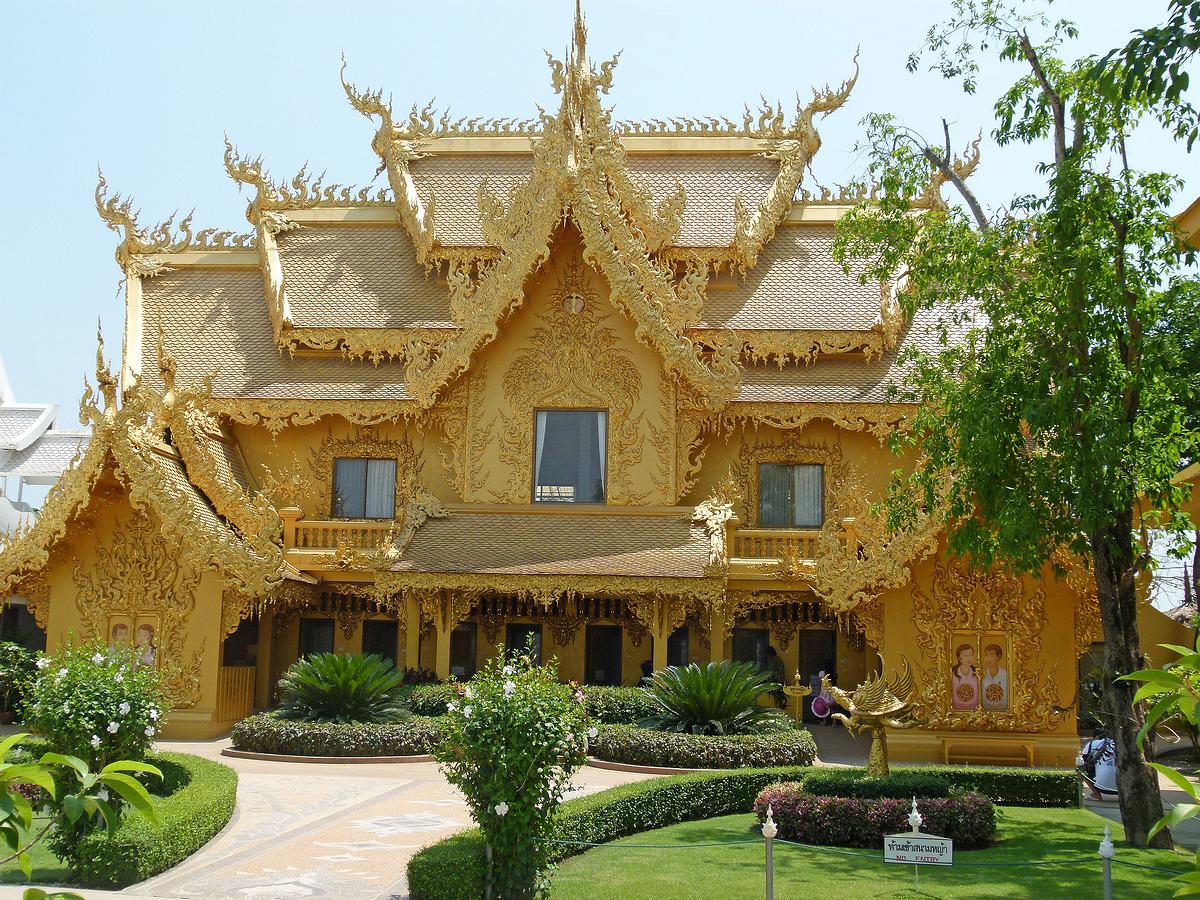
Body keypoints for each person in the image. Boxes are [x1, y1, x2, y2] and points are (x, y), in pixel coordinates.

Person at [1078, 728, 1118, 799]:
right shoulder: (1117, 743)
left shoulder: (1092, 744)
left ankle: (1096, 794)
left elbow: (1081, 761)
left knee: (1082, 770)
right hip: (1120, 787)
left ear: (1096, 736)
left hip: (1102, 787)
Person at [980, 643, 1009, 711]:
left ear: (999, 657)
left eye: (992, 655)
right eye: (986, 655)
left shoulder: (1006, 675)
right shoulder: (981, 676)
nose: (988, 658)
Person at [951, 643, 979, 710]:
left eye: (971, 655)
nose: (969, 658)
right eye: (965, 655)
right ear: (959, 658)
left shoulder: (977, 674)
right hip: (956, 711)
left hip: (974, 711)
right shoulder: (952, 675)